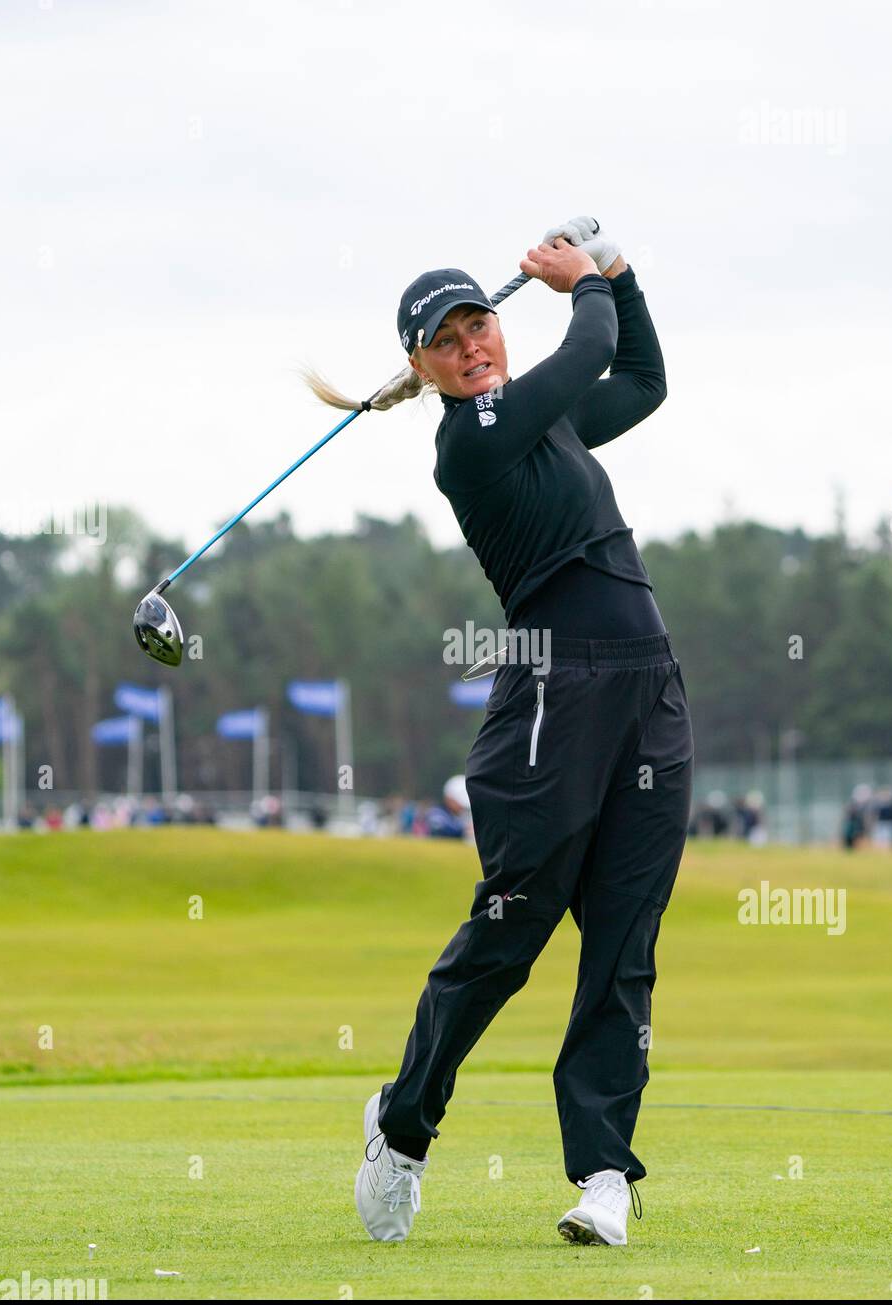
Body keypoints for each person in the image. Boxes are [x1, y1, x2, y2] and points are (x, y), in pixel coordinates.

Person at [327, 218, 693, 1246]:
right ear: (424, 366)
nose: (471, 343)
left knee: (622, 944)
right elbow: (586, 348)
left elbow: (642, 378)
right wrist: (582, 285)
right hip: (551, 702)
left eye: (477, 322)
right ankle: (400, 1126)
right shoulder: (474, 439)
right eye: (446, 339)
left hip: (646, 693)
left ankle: (604, 1176)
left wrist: (620, 274)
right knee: (510, 933)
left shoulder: (545, 426)